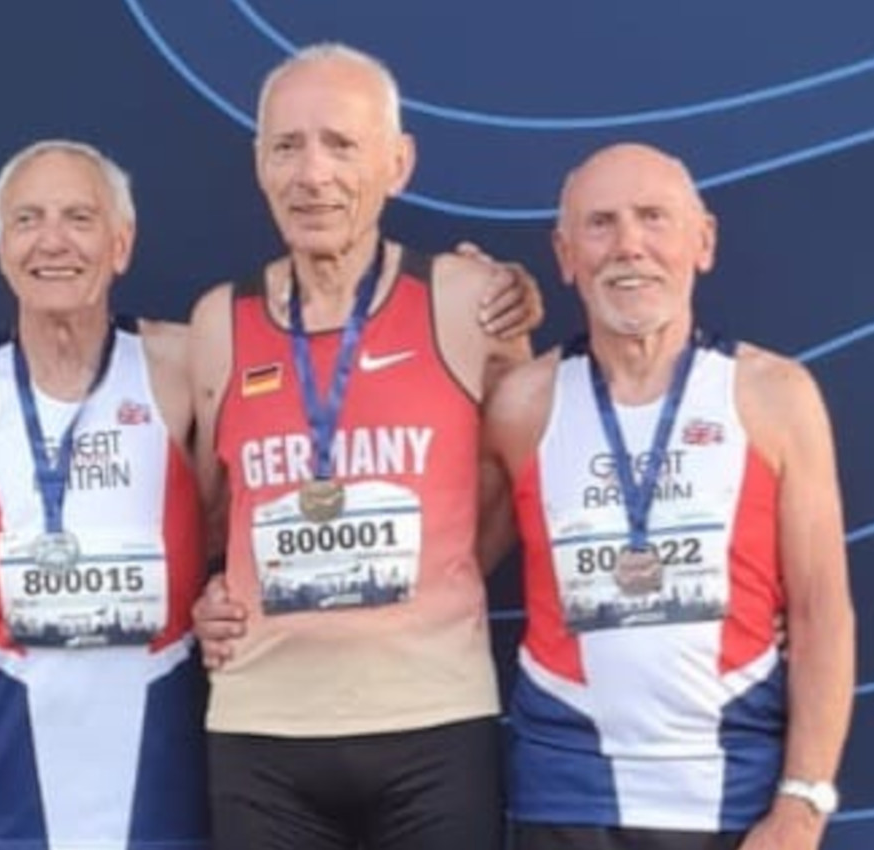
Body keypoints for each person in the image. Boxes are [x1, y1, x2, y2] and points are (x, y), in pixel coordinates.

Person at [187, 43, 532, 850]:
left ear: (398, 162)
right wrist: (207, 593)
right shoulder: (217, 322)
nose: (313, 175)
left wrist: (435, 581)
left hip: (435, 723)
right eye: (287, 146)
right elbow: (208, 517)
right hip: (262, 731)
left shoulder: (467, 299)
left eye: (341, 144)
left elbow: (524, 481)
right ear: (259, 167)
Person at [484, 143, 856, 850]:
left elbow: (821, 613)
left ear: (703, 240)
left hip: (734, 793)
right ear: (565, 254)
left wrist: (804, 802)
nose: (629, 245)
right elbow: (442, 571)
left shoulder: (774, 395)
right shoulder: (522, 402)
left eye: (653, 218)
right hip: (567, 792)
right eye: (600, 224)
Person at [0, 139, 209, 850]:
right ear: (2, 247)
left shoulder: (186, 364)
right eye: (27, 219)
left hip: (160, 776)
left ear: (120, 244)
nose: (53, 242)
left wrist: (486, 297)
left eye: (79, 217)